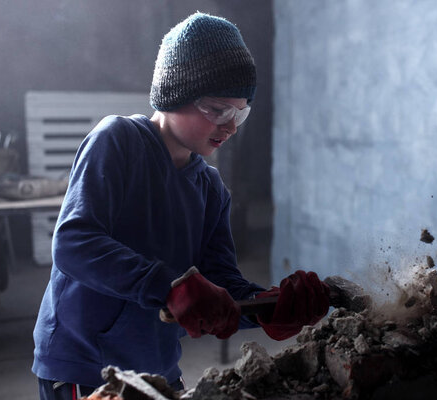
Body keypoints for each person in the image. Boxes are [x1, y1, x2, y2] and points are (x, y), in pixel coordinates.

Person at [32, 12, 330, 400]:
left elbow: (221, 284)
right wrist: (168, 286)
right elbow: (74, 244)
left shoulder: (210, 188)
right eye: (219, 110)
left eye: (241, 113)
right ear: (176, 91)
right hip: (87, 366)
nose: (231, 126)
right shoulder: (117, 140)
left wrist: (268, 306)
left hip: (158, 369)